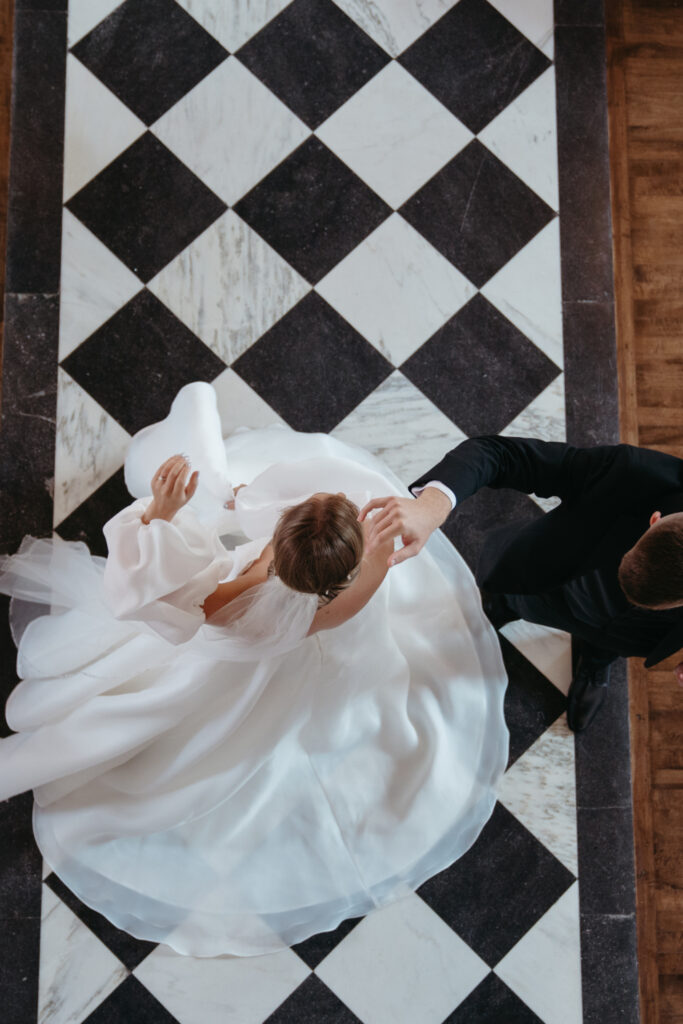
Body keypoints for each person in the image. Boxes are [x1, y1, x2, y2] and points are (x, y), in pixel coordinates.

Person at [0, 382, 508, 957]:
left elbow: (170, 606)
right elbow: (366, 564)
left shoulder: (236, 596)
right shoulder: (355, 590)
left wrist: (160, 521)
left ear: (280, 540)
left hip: (237, 653)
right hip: (306, 658)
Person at [359, 434, 683, 733]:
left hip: (640, 634)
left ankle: (597, 658)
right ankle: (498, 606)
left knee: (610, 643)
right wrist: (432, 504)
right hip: (557, 580)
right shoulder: (634, 473)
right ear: (653, 520)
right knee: (504, 599)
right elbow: (500, 454)